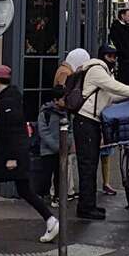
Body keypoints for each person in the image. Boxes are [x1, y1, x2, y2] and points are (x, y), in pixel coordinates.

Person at [0, 66, 59, 243]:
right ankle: (51, 221)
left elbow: (13, 130)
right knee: (25, 190)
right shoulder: (10, 97)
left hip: (11, 155)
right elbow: (3, 124)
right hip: (16, 153)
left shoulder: (7, 101)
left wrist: (11, 158)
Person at [73, 45, 129, 220]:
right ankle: (85, 208)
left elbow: (111, 96)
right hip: (86, 122)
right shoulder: (97, 70)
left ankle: (89, 205)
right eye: (110, 56)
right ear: (103, 56)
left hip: (91, 122)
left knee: (91, 165)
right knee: (87, 166)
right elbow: (114, 87)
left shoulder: (104, 71)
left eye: (114, 56)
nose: (113, 59)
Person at [53, 47, 89, 200]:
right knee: (67, 157)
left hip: (63, 117)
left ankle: (69, 189)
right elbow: (61, 97)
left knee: (68, 157)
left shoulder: (64, 70)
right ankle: (65, 191)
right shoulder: (66, 73)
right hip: (63, 117)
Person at [37, 85, 71, 207]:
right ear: (56, 100)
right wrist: (57, 146)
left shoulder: (66, 113)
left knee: (59, 176)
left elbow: (69, 130)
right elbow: (43, 132)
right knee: (46, 174)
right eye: (63, 99)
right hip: (48, 150)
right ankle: (43, 195)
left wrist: (67, 144)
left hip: (61, 150)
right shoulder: (45, 113)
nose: (65, 102)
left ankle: (58, 196)